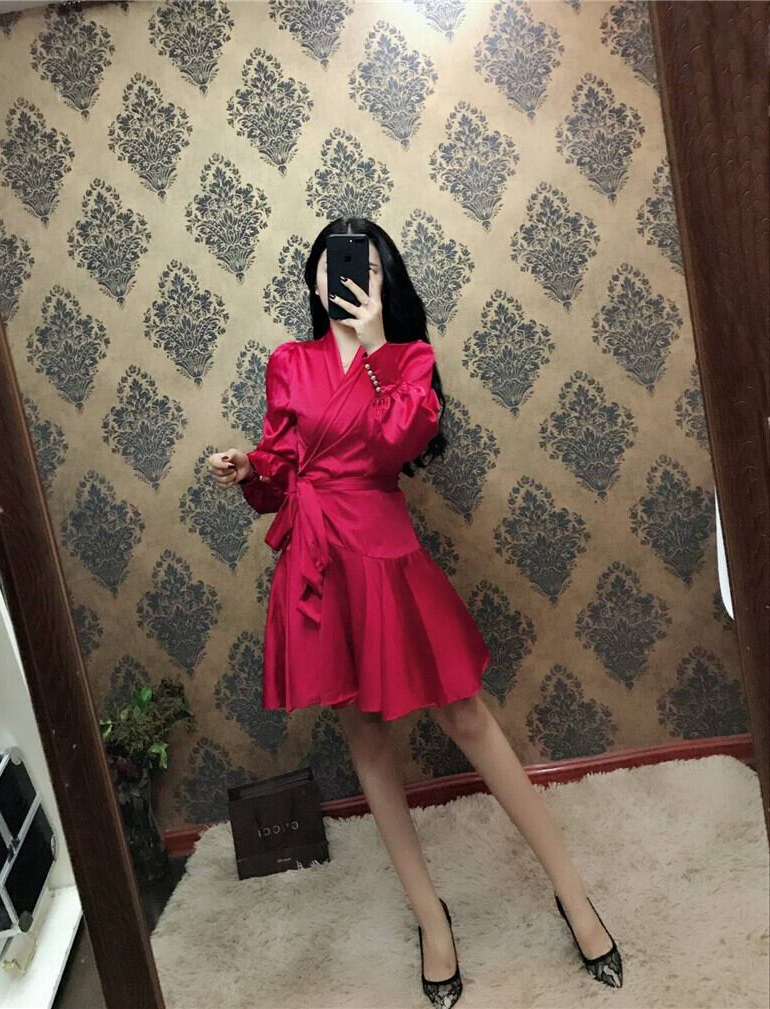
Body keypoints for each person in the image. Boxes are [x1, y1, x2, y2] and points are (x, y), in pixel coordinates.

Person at [209, 217, 623, 1006]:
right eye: (332, 264)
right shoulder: (289, 362)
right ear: (313, 279)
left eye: (362, 266)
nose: (344, 276)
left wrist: (374, 348)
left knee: (467, 716)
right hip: (319, 563)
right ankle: (431, 917)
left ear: (382, 280)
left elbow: (403, 438)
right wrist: (248, 466)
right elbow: (283, 464)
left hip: (384, 554)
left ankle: (572, 892)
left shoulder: (408, 359)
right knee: (365, 736)